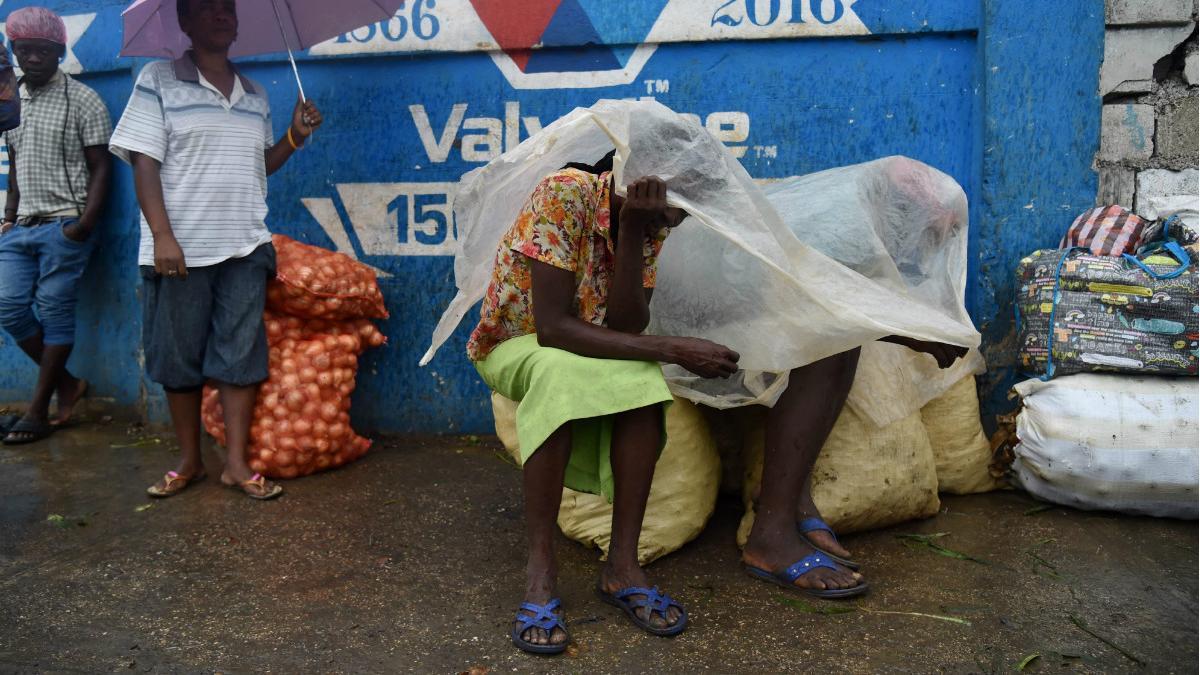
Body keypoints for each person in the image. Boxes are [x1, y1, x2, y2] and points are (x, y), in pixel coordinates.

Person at [469, 152, 967, 655]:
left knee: (644, 381)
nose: (683, 222)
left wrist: (633, 232)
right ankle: (540, 577)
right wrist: (674, 346)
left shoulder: (650, 223)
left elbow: (624, 325)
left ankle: (623, 568)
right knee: (565, 373)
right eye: (679, 208)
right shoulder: (565, 192)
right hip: (523, 340)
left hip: (601, 340)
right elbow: (552, 328)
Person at [109, 0, 323, 500]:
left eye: (226, 9)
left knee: (240, 355)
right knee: (177, 358)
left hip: (244, 245)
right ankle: (188, 461)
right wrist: (163, 235)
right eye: (206, 9)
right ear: (184, 23)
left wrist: (295, 134)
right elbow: (143, 162)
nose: (220, 16)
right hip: (180, 249)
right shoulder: (158, 80)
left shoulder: (255, 93)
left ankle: (235, 465)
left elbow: (258, 165)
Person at [0, 6, 111, 445]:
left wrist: (83, 225)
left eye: (43, 51)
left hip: (65, 226)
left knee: (54, 311)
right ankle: (67, 384)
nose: (32, 58)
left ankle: (37, 409)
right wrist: (8, 219)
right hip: (21, 228)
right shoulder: (10, 102)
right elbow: (15, 164)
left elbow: (102, 168)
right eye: (23, 50)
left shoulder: (83, 99)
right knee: (8, 306)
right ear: (14, 52)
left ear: (60, 51)